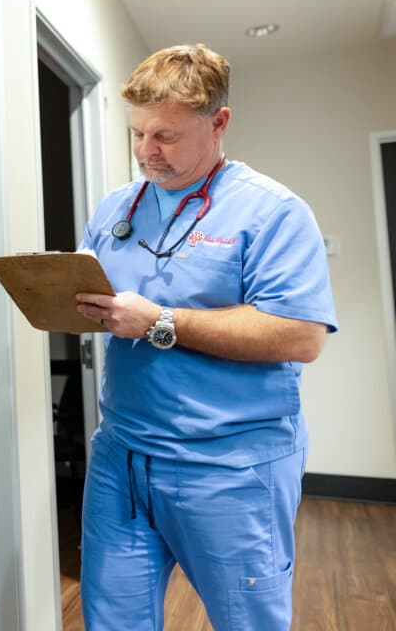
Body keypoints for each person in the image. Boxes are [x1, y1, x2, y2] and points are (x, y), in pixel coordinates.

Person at [73, 43, 337, 631]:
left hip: (229, 466)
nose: (146, 151)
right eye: (137, 133)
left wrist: (162, 322)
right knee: (112, 621)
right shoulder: (117, 207)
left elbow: (301, 335)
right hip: (122, 458)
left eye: (165, 135)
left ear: (218, 123)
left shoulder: (273, 212)